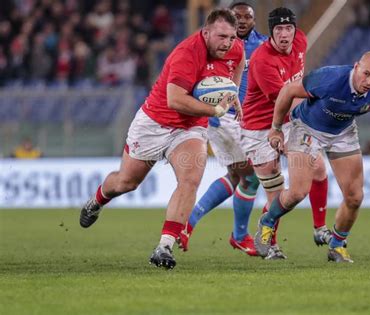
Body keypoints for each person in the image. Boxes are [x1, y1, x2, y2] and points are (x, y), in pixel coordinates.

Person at [79, 9, 244, 270]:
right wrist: (215, 110)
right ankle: (97, 200)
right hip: (154, 124)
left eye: (232, 37)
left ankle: (164, 245)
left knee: (190, 179)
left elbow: (239, 63)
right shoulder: (186, 54)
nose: (228, 43)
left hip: (190, 129)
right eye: (222, 36)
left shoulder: (235, 49)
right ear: (206, 32)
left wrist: (232, 92)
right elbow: (175, 100)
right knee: (126, 182)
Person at [255, 51, 370, 263]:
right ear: (356, 66)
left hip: (343, 133)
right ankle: (267, 221)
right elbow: (287, 91)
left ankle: (337, 245)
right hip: (306, 128)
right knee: (297, 192)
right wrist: (276, 128)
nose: (369, 82)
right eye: (366, 74)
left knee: (355, 197)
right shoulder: (329, 78)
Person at [240, 7, 330, 260]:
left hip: (290, 121)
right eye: (278, 29)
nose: (284, 34)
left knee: (319, 168)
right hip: (258, 128)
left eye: (288, 28)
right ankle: (271, 243)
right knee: (276, 189)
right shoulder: (263, 60)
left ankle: (319, 228)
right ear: (271, 32)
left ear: (294, 30)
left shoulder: (301, 40)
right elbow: (285, 101)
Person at [180, 2, 267, 257]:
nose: (241, 20)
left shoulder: (262, 45)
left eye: (247, 17)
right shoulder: (210, 46)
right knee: (250, 177)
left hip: (251, 119)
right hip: (226, 117)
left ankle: (191, 221)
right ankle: (239, 235)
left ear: (253, 20)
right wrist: (208, 109)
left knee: (237, 176)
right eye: (236, 16)